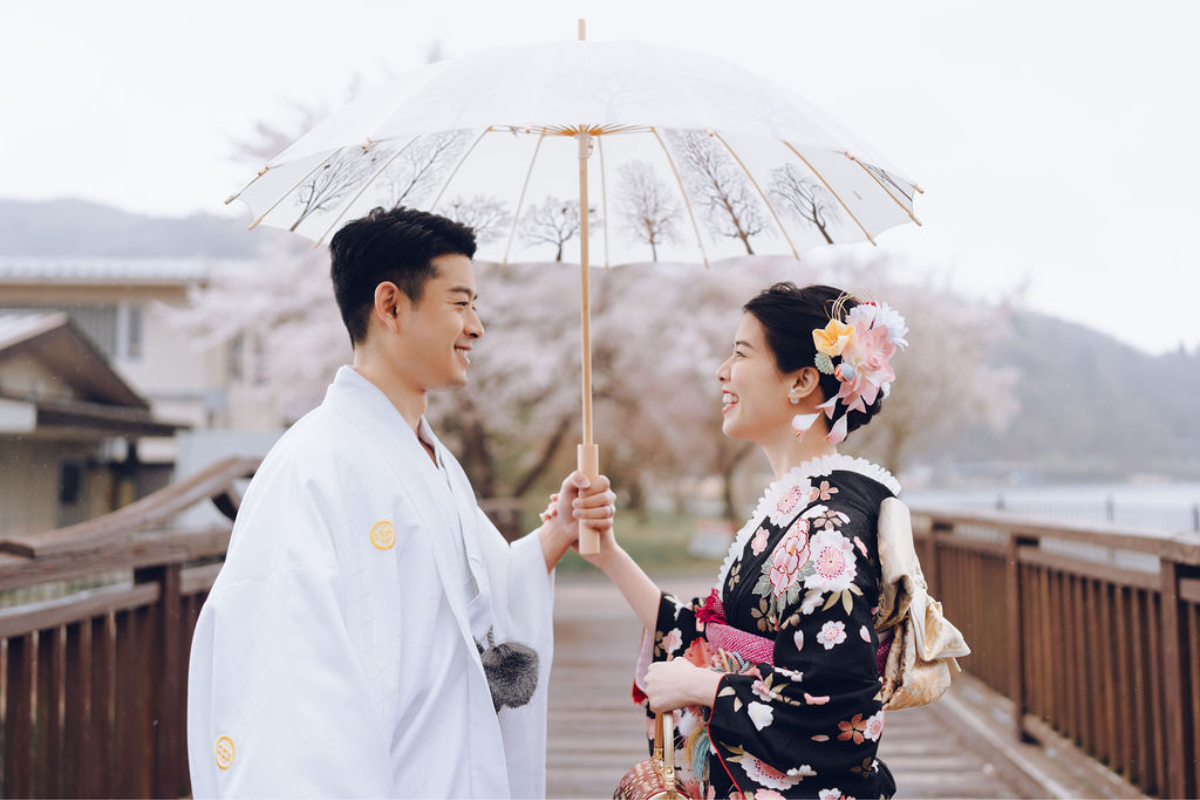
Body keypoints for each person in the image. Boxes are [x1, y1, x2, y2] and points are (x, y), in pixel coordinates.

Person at [186, 206, 616, 799]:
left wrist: (556, 534)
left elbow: (478, 592)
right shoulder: (312, 467)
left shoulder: (431, 459)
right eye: (460, 303)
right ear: (391, 306)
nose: (477, 327)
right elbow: (286, 682)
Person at [587, 283, 907, 799]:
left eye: (740, 353)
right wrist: (607, 554)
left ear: (801, 381)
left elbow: (838, 704)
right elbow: (713, 635)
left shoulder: (829, 530)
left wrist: (701, 685)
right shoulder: (802, 508)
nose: (722, 371)